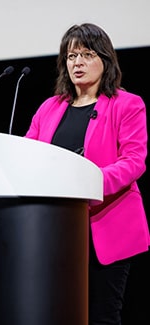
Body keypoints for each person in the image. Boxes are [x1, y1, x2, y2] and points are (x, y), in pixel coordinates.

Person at [24, 23, 150, 325]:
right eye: (70, 56)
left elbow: (134, 160)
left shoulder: (127, 105)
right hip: (56, 228)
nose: (77, 63)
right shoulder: (49, 108)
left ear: (104, 60)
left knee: (102, 316)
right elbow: (27, 157)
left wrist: (88, 183)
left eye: (86, 54)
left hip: (107, 226)